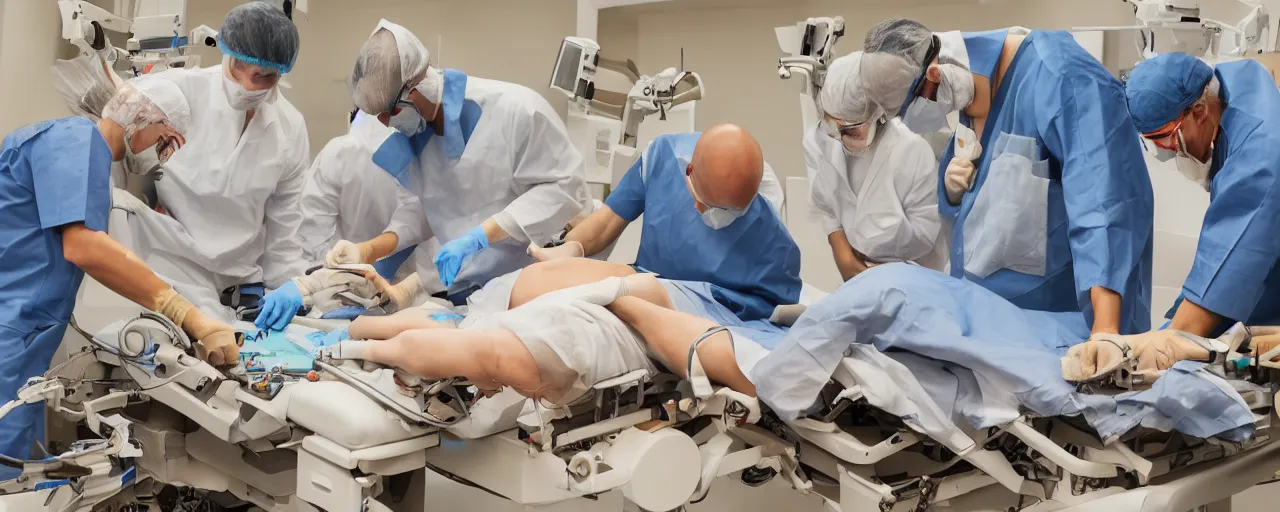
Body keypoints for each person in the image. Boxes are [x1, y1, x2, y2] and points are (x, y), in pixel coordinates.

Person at [0, 73, 239, 474]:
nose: (159, 157)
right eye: (164, 143)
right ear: (143, 118)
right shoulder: (77, 139)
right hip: (11, 332)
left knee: (17, 462)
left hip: (23, 334)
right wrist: (186, 313)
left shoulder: (81, 155)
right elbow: (84, 247)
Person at [857, 19, 1155, 336]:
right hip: (993, 329)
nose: (908, 121)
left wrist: (1106, 333)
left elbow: (1106, 208)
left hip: (1062, 334)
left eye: (906, 109)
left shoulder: (1061, 77)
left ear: (932, 76)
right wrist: (953, 193)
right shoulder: (967, 91)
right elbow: (988, 204)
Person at [330, 19, 591, 306]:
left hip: (527, 285)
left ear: (418, 89)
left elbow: (567, 188)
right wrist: (368, 250)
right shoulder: (418, 136)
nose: (385, 123)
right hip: (464, 294)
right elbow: (421, 209)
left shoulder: (518, 111)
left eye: (389, 111)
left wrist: (481, 236)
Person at [1063, 53, 1280, 369]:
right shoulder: (1228, 93)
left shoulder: (1261, 158)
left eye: (1167, 139)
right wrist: (1163, 330)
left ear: (1199, 111)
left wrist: (1149, 346)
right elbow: (1215, 263)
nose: (1169, 153)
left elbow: (1229, 263)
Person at [322, 260, 767, 404]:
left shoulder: (730, 338)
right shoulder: (668, 298)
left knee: (474, 338)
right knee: (470, 335)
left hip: (573, 317)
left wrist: (616, 296)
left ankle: (355, 338)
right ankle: (356, 337)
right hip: (575, 311)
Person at [137, 2, 310, 331]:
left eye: (264, 76)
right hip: (171, 269)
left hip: (241, 286)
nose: (247, 85)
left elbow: (284, 229)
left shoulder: (290, 127)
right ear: (225, 51)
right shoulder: (178, 91)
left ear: (281, 71)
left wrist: (293, 286)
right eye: (237, 69)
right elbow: (113, 132)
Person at [536, 124, 801, 322]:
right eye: (702, 201)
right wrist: (570, 248)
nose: (705, 213)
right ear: (689, 171)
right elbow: (606, 223)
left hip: (711, 317)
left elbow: (775, 312)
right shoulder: (661, 158)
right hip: (642, 284)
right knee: (554, 284)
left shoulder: (772, 234)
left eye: (726, 211)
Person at [809, 51, 946, 280]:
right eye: (835, 128)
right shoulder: (826, 148)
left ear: (879, 114)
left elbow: (924, 237)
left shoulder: (911, 152)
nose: (842, 139)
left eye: (851, 130)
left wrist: (876, 273)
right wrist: (859, 275)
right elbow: (832, 222)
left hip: (916, 282)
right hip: (861, 281)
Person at [295, 111, 441, 292]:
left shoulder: (338, 153)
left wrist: (330, 278)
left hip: (370, 288)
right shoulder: (425, 146)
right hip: (412, 285)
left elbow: (313, 233)